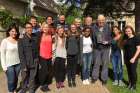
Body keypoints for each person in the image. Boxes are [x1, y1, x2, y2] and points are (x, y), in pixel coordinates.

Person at [18, 22, 39, 93]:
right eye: (27, 27)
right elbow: (21, 53)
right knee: (24, 77)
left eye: (30, 27)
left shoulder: (35, 36)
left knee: (32, 77)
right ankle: (23, 89)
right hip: (26, 61)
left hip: (34, 60)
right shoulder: (21, 39)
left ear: (32, 28)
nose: (29, 29)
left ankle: (31, 89)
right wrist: (23, 65)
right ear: (25, 29)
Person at [92, 14, 112, 85]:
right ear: (97, 21)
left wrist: (107, 42)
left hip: (106, 48)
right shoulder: (94, 27)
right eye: (99, 21)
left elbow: (111, 38)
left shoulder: (108, 27)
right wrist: (94, 44)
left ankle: (104, 79)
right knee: (96, 63)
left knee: (105, 64)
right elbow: (92, 38)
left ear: (104, 20)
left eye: (102, 20)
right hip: (97, 48)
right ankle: (94, 77)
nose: (101, 22)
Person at [0, 25, 20, 93]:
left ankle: (14, 89)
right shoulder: (5, 41)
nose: (14, 33)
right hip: (9, 65)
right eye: (12, 31)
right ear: (9, 32)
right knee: (11, 80)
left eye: (15, 31)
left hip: (18, 63)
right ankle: (10, 91)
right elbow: (2, 55)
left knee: (16, 78)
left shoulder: (18, 40)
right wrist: (4, 67)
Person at [123, 25, 140, 90]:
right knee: (129, 71)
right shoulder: (126, 39)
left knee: (133, 71)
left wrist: (134, 58)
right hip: (127, 58)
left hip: (133, 58)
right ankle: (130, 84)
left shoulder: (136, 38)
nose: (128, 32)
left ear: (132, 30)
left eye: (129, 31)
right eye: (126, 31)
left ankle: (134, 85)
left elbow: (139, 49)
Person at [37, 23, 53, 92]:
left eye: (47, 27)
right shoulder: (39, 35)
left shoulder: (51, 35)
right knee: (45, 71)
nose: (45, 28)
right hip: (42, 55)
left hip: (49, 56)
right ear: (42, 28)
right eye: (44, 27)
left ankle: (46, 84)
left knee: (48, 71)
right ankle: (42, 85)